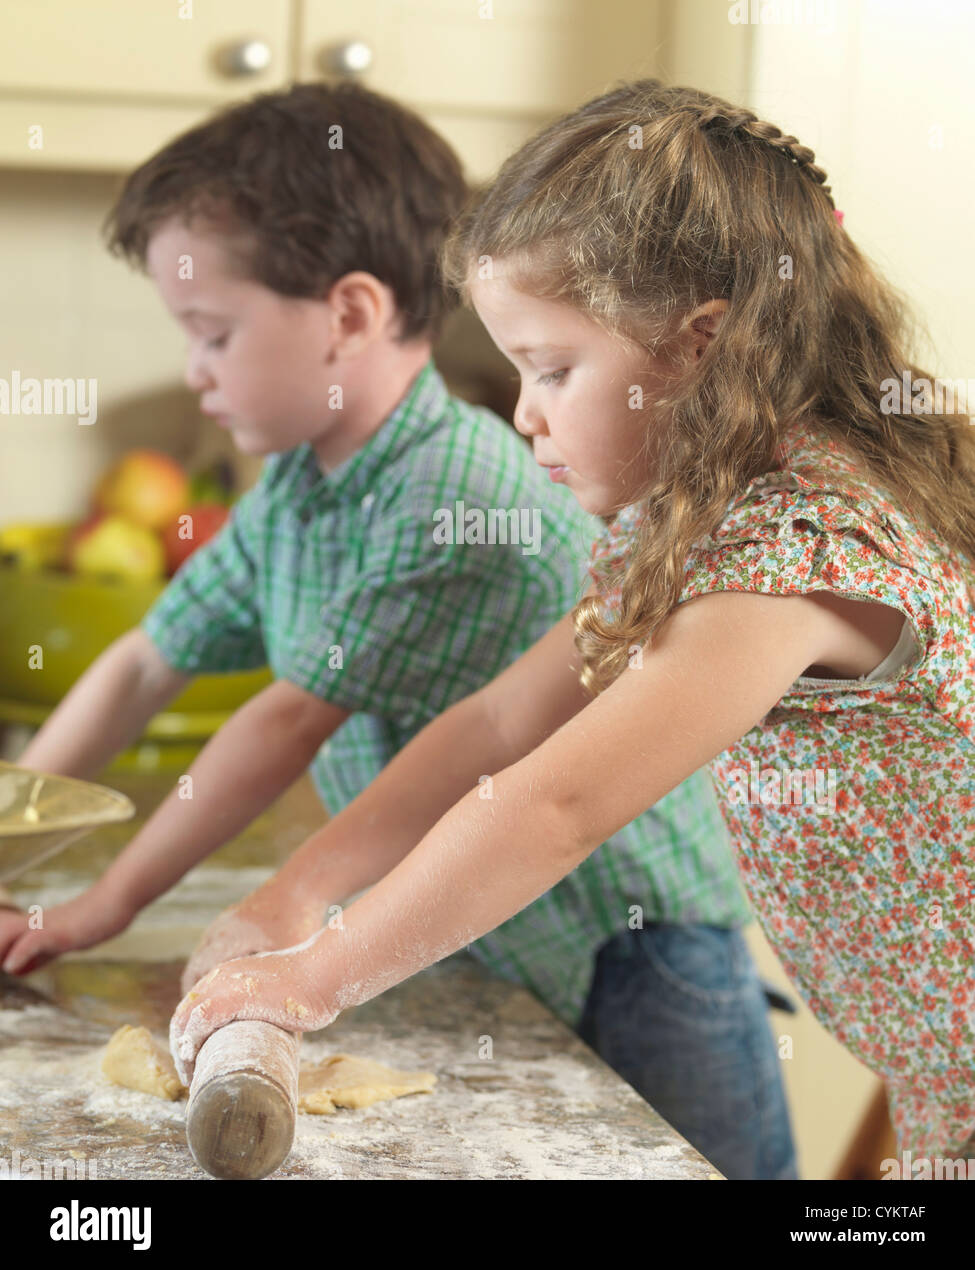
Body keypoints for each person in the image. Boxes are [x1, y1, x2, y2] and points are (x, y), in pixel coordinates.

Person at [168, 77, 975, 1173]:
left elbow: (555, 803)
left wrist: (314, 978)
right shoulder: (700, 522)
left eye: (552, 368)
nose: (524, 411)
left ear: (700, 347)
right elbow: (502, 724)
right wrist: (297, 889)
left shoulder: (797, 555)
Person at [0, 80, 796, 1179]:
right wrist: (13, 835)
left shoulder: (451, 498)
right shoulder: (293, 490)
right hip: (479, 913)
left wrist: (103, 905)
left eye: (213, 332)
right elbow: (148, 656)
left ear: (350, 315)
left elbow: (289, 724)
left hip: (634, 939)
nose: (193, 369)